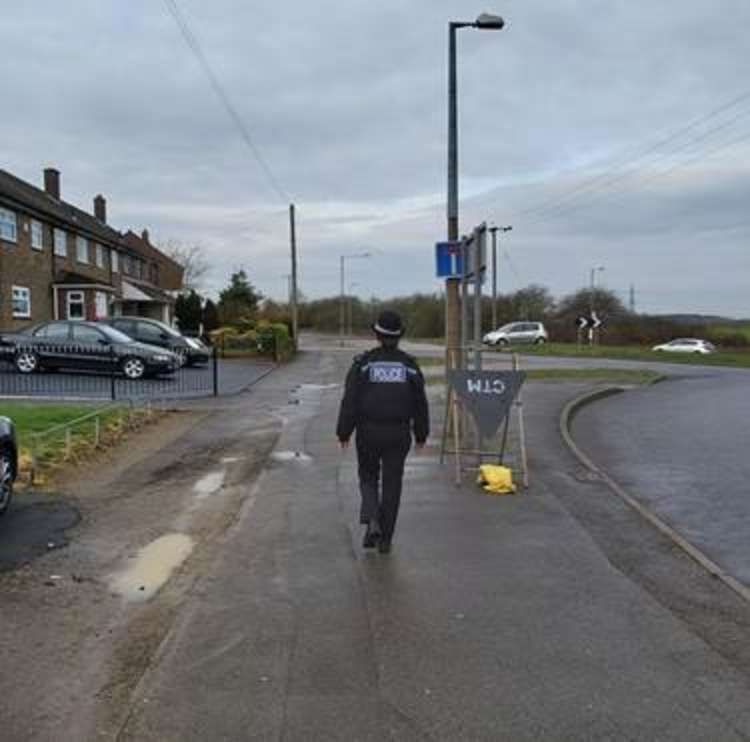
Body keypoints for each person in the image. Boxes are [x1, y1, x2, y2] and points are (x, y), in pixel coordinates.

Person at [336, 310, 430, 554]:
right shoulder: (409, 366)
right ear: (399, 336)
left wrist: (344, 431)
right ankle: (384, 539)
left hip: (368, 431)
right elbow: (420, 402)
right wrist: (421, 434)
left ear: (377, 335)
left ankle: (372, 519)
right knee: (392, 484)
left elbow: (351, 400)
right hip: (399, 434)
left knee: (368, 477)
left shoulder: (364, 363)